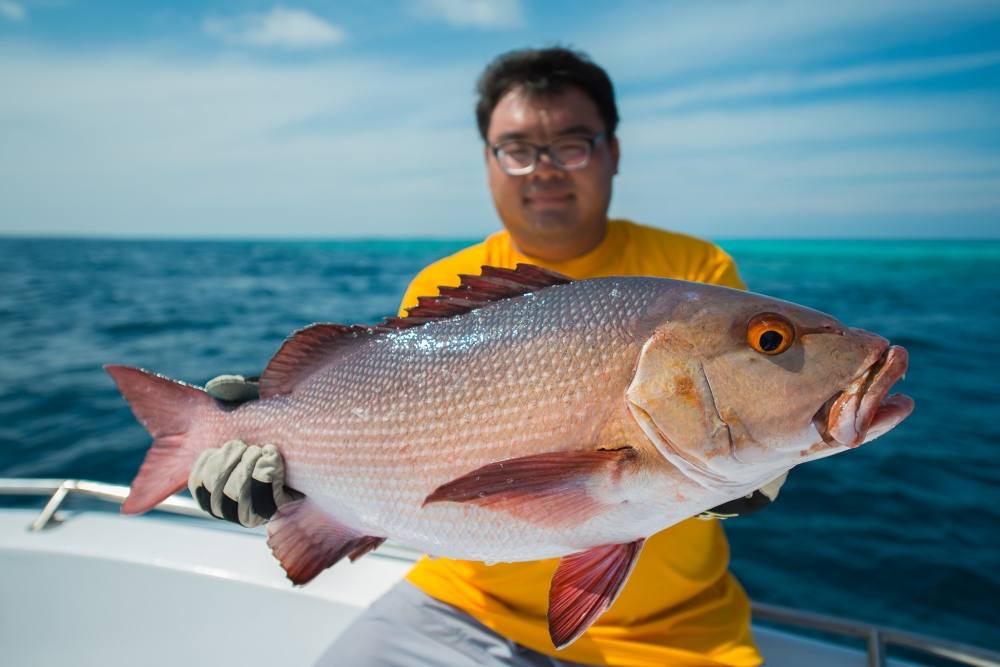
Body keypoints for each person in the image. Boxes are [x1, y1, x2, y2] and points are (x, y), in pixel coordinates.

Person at [190, 48, 785, 667]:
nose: (544, 169)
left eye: (572, 144)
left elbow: (752, 414)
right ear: (488, 161)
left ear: (612, 152)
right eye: (518, 149)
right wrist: (288, 470)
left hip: (672, 633)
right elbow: (389, 429)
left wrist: (757, 479)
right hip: (460, 601)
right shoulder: (444, 281)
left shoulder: (697, 276)